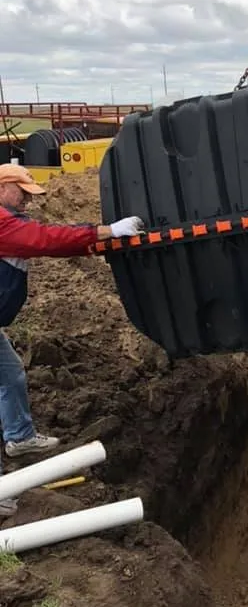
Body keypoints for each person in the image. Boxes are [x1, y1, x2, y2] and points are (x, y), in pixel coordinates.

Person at [0, 163, 145, 517]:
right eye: (22, 194)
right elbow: (46, 239)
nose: (27, 203)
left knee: (12, 373)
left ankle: (20, 437)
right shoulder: (3, 222)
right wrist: (107, 230)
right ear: (3, 188)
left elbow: (50, 245)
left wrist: (100, 240)